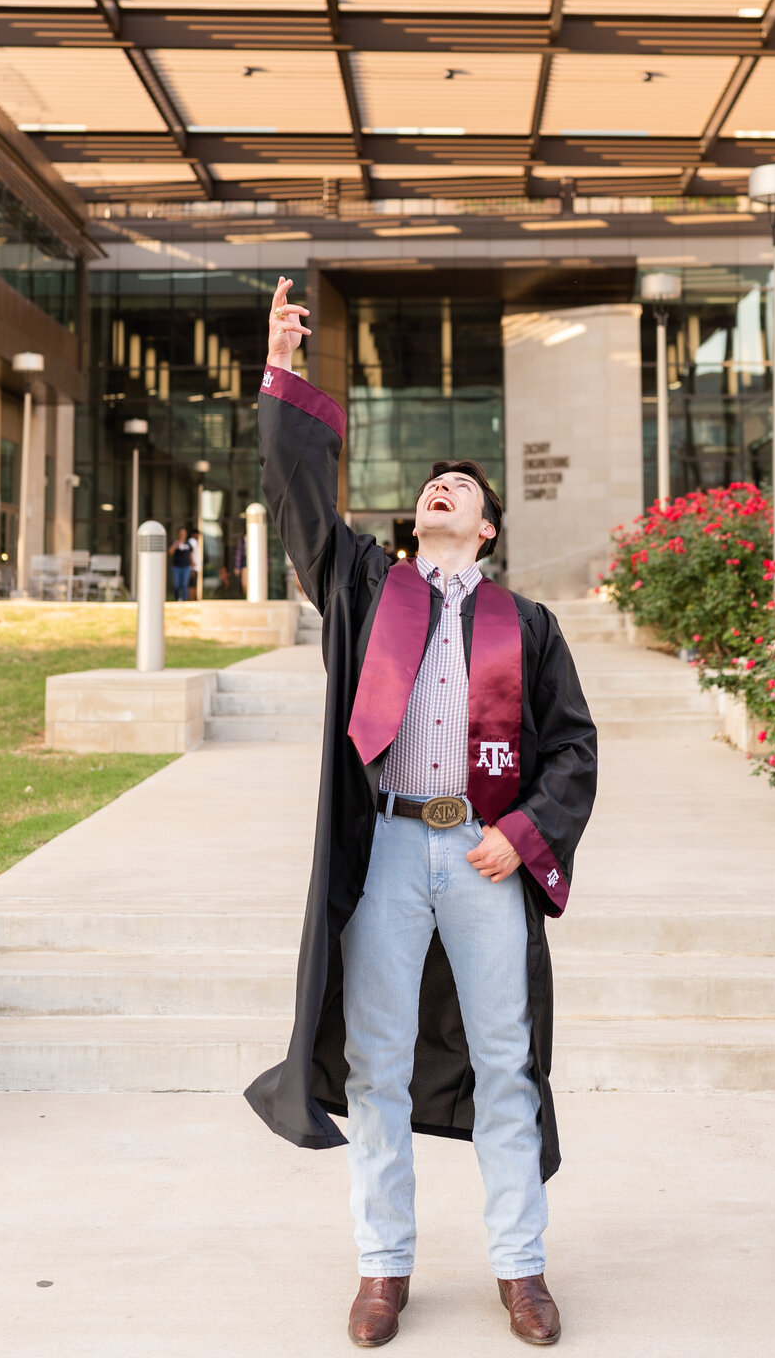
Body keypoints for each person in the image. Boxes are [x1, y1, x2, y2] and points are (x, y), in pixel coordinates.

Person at [245, 278, 597, 1350]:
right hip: (391, 847)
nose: (443, 490)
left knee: (505, 1058)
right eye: (433, 485)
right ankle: (384, 1267)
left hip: (483, 857)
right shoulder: (366, 588)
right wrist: (285, 376)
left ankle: (520, 1268)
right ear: (418, 519)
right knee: (377, 1063)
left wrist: (523, 835)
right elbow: (303, 500)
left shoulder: (524, 625)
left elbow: (574, 748)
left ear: (486, 529)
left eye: (462, 487)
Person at [168, 527, 192, 603]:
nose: (182, 535)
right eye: (181, 534)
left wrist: (193, 565)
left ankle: (185, 600)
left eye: (184, 534)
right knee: (176, 585)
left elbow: (191, 554)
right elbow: (170, 552)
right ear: (178, 534)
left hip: (186, 567)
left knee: (185, 585)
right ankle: (177, 599)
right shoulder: (174, 542)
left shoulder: (188, 543)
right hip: (176, 567)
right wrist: (176, 544)